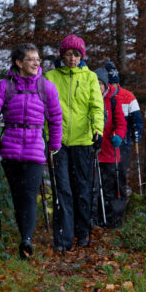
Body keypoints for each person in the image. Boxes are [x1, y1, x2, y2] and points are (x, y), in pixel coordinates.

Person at [0, 44, 62, 259]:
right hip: (10, 150)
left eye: (38, 59)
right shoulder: (5, 86)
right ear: (19, 63)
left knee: (28, 195)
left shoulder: (47, 88)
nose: (37, 63)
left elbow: (55, 119)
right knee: (18, 196)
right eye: (31, 60)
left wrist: (54, 145)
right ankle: (24, 235)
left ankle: (26, 241)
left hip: (35, 149)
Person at [44, 34, 104, 251]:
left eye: (76, 54)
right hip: (58, 143)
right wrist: (45, 135)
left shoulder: (89, 77)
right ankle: (64, 239)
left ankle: (83, 232)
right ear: (62, 55)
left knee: (82, 189)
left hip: (83, 141)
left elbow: (97, 107)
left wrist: (98, 131)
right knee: (63, 190)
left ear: (82, 56)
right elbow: (42, 108)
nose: (72, 58)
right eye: (69, 54)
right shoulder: (50, 77)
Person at [102, 61, 143, 197]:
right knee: (106, 178)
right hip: (105, 145)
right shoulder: (101, 97)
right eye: (110, 84)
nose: (112, 87)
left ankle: (120, 206)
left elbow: (136, 118)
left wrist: (137, 131)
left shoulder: (127, 96)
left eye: (115, 83)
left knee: (120, 176)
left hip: (123, 144)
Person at [94, 67, 127, 227]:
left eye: (101, 83)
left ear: (106, 85)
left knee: (112, 190)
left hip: (110, 153)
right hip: (92, 153)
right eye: (96, 83)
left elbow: (121, 124)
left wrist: (119, 136)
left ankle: (114, 221)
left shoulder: (113, 101)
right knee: (94, 190)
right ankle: (97, 221)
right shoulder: (88, 100)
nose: (98, 86)